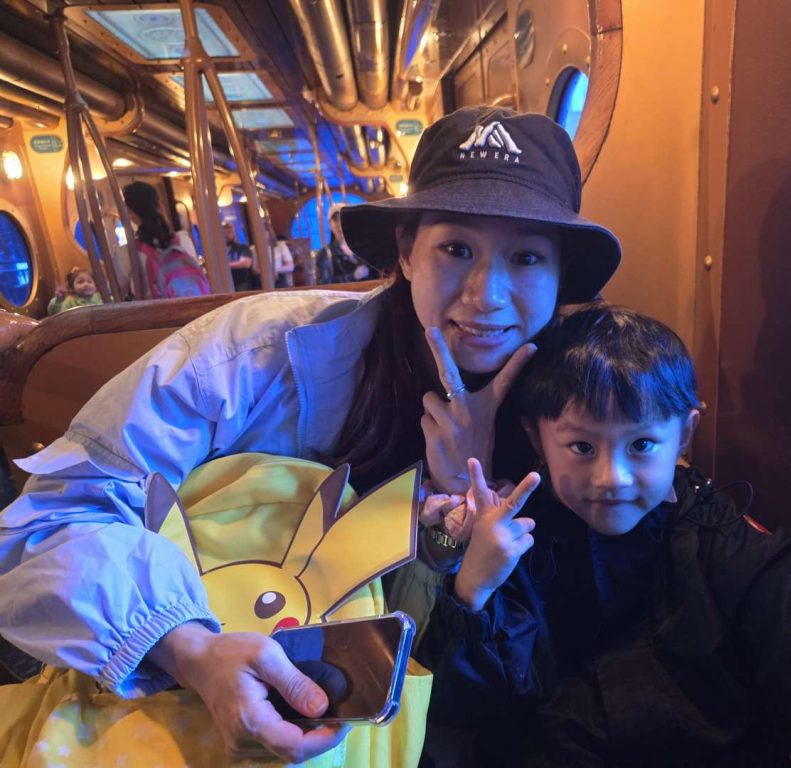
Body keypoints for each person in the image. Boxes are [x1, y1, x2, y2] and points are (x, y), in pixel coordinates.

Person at [0, 107, 620, 763]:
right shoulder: (254, 353)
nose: (486, 294)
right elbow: (51, 519)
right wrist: (189, 649)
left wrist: (468, 483)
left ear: (559, 275)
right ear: (406, 251)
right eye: (456, 249)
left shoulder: (585, 407)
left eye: (526, 257)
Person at [419, 306, 791, 767]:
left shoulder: (719, 540)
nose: (612, 478)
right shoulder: (519, 541)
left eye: (641, 444)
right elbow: (468, 708)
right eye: (581, 447)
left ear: (684, 435)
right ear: (537, 438)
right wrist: (474, 587)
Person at [122, 181, 210, 300]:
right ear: (159, 205)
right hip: (195, 306)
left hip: (160, 310)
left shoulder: (128, 253)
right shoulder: (183, 240)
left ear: (130, 212)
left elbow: (119, 289)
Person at [315, 203, 380, 284]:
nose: (339, 224)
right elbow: (323, 284)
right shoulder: (324, 254)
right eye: (335, 220)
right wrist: (353, 276)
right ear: (330, 226)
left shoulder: (364, 249)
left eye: (343, 218)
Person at [223, 221, 256, 292]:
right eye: (223, 233)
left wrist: (224, 266)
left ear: (233, 233)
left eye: (229, 232)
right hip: (225, 284)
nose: (226, 235)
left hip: (242, 283)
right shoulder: (218, 251)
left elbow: (246, 263)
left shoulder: (242, 248)